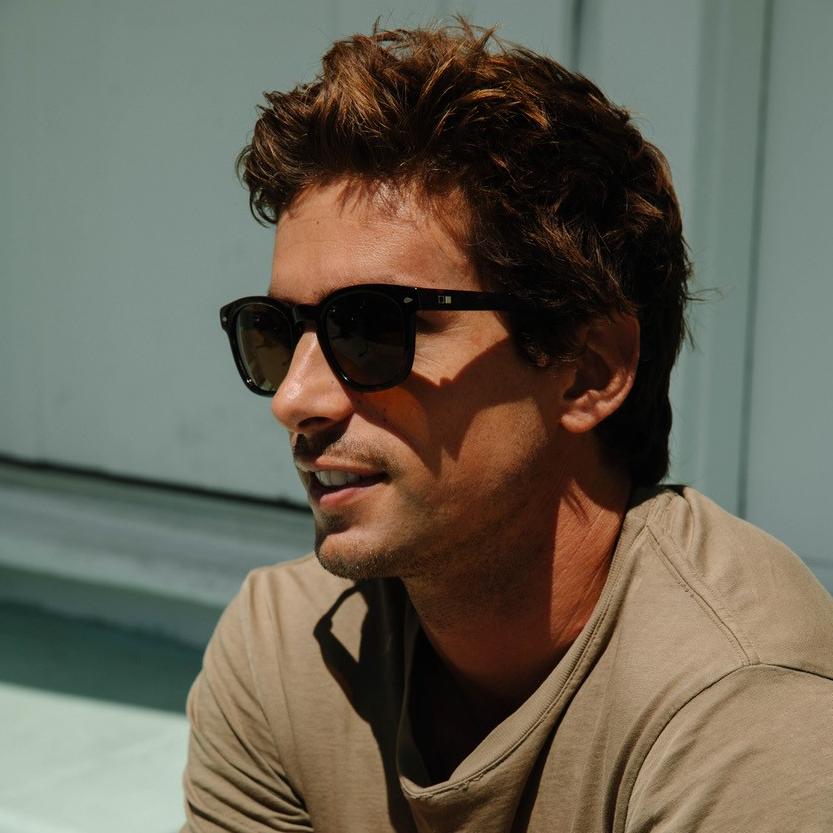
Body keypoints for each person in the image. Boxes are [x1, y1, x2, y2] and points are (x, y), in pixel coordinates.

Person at [182, 20, 833, 832]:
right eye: (276, 332)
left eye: (372, 328)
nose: (295, 397)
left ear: (587, 370)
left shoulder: (742, 715)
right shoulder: (288, 647)